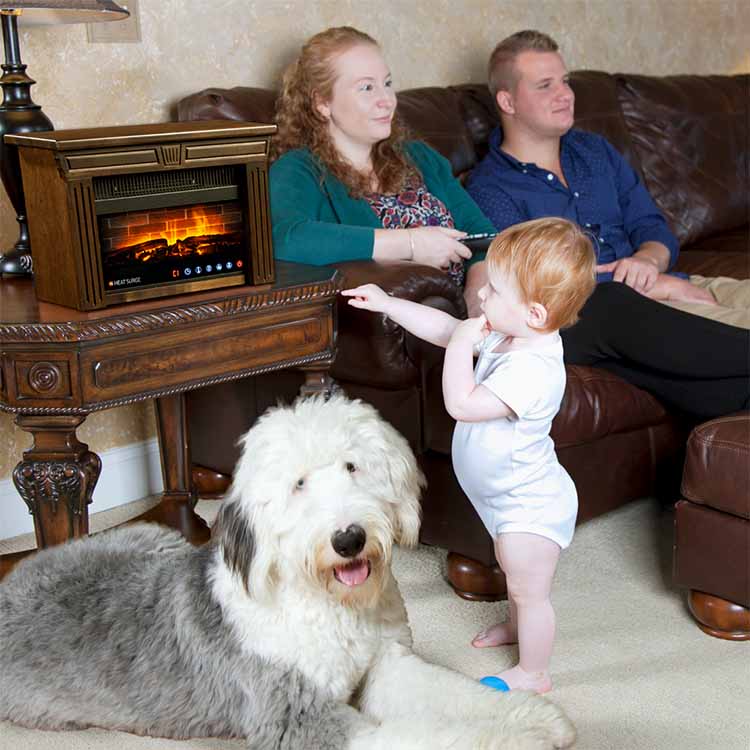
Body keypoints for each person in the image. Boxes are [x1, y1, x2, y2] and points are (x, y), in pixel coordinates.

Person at [342, 217, 597, 694]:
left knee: (529, 590)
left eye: (495, 291)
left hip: (531, 505)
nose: (482, 296)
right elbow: (444, 328)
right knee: (510, 571)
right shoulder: (511, 332)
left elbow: (461, 403)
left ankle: (533, 672)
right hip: (504, 498)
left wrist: (462, 346)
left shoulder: (535, 369)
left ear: (537, 314)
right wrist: (389, 303)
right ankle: (518, 630)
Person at [465, 30, 750, 419]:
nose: (565, 94)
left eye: (565, 81)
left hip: (667, 284)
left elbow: (652, 226)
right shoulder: (491, 189)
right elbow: (528, 288)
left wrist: (650, 263)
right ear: (507, 101)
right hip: (612, 310)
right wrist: (637, 287)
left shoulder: (595, 152)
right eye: (545, 85)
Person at [269, 26, 495, 293]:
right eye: (366, 87)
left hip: (471, 316)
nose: (386, 100)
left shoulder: (419, 156)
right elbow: (286, 239)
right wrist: (410, 244)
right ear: (322, 103)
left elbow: (483, 238)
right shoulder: (298, 169)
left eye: (387, 83)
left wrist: (476, 303)